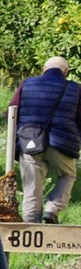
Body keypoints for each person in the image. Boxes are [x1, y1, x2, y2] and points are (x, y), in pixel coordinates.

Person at [12, 56, 80, 224]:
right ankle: (52, 209)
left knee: (32, 184)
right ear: (66, 71)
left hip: (30, 140)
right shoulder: (75, 89)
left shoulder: (27, 84)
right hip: (62, 143)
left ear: (44, 69)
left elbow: (11, 113)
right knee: (67, 175)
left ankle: (31, 224)